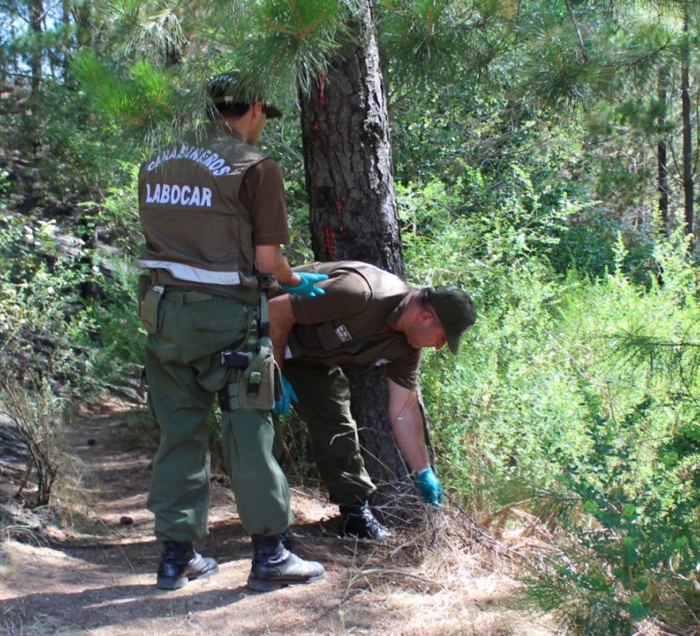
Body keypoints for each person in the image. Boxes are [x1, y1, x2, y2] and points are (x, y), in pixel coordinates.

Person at [137, 73, 329, 592]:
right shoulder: (255, 168)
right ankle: (270, 554)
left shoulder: (155, 160)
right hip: (229, 320)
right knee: (248, 431)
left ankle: (176, 558)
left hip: (163, 315)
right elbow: (268, 259)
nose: (263, 126)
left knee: (179, 433)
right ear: (255, 108)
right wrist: (293, 281)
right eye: (264, 116)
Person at [266, 260, 476, 540]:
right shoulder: (362, 292)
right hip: (263, 336)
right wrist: (274, 372)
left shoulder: (407, 348)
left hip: (309, 359)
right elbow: (277, 309)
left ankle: (355, 513)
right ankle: (269, 524)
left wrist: (422, 470)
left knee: (337, 426)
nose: (438, 346)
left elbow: (404, 408)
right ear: (425, 318)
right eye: (441, 338)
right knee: (259, 424)